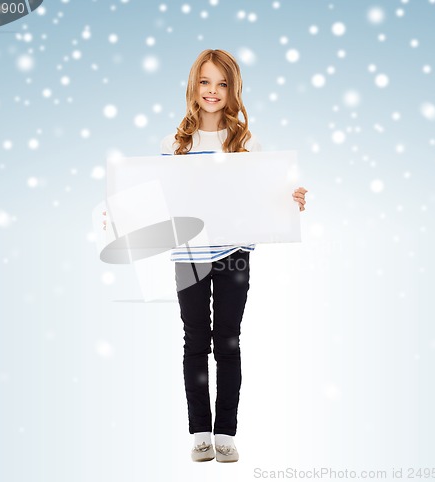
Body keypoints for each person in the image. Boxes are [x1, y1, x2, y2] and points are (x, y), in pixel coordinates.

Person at [104, 49, 308, 463]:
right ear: (193, 86)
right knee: (195, 339)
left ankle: (226, 432)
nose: (212, 91)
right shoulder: (174, 144)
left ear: (233, 89)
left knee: (227, 342)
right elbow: (161, 200)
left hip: (234, 254)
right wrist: (122, 212)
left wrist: (291, 199)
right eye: (205, 82)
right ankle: (200, 430)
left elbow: (263, 195)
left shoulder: (246, 142)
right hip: (189, 255)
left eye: (222, 83)